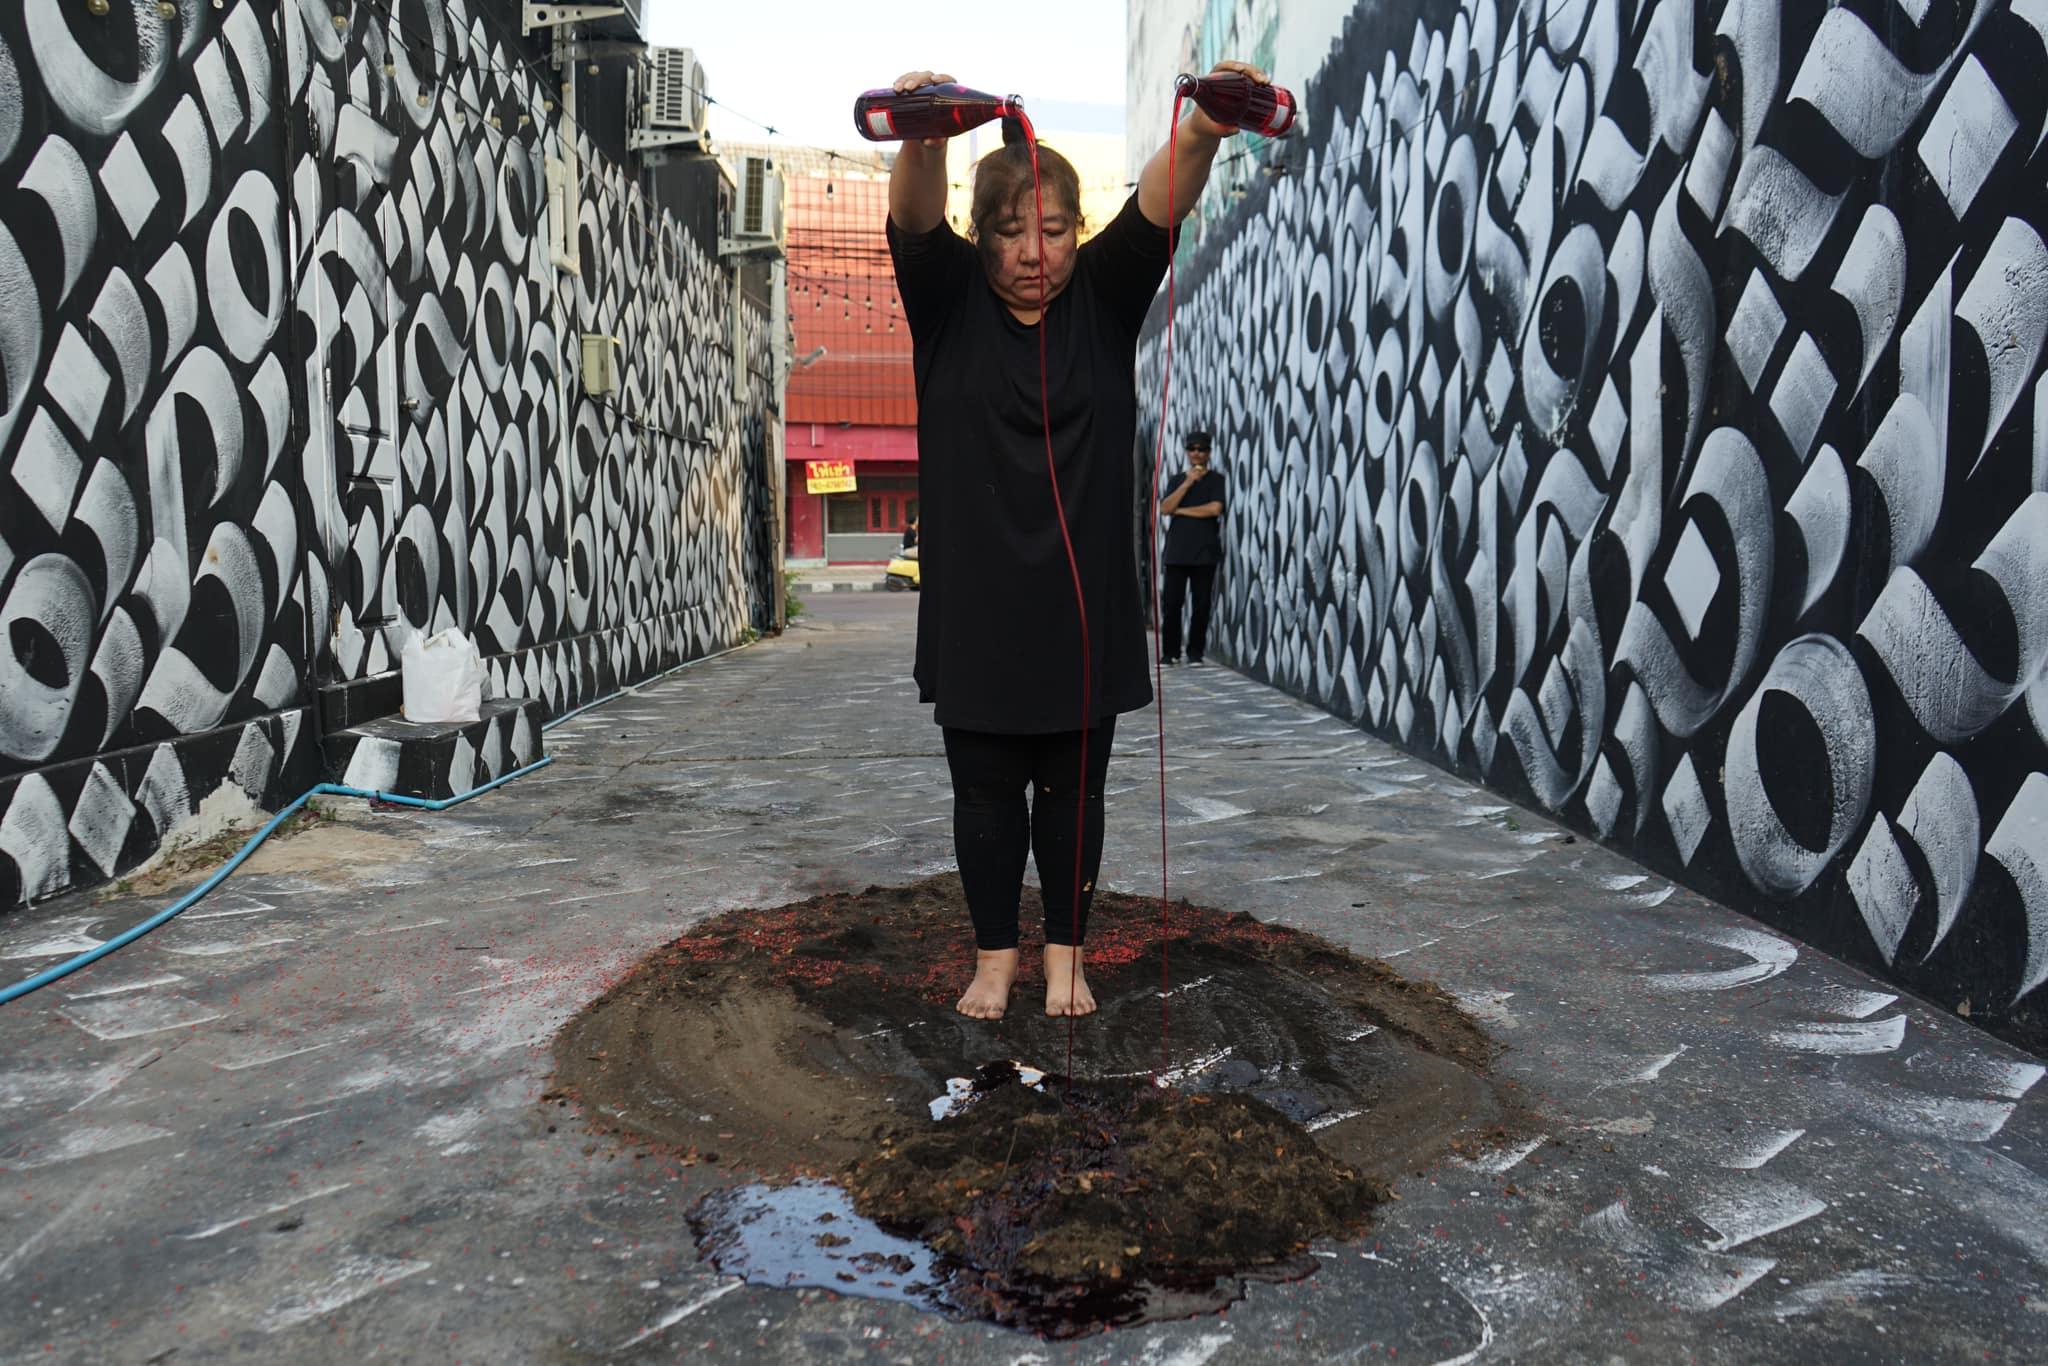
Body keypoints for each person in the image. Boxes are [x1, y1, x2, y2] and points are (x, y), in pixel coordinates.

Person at [885, 61, 1263, 1019]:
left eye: (1053, 230)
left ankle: (1066, 958)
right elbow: (915, 215)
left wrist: (1203, 129)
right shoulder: (947, 300)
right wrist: (924, 134)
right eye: (1011, 232)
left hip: (1083, 607)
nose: (1033, 252)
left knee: (1072, 796)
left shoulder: (1105, 295)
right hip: (978, 611)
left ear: (1077, 230)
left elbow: (1164, 198)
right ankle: (994, 959)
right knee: (983, 795)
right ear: (981, 236)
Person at [1158, 430, 1225, 665]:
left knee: (1201, 604)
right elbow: (1165, 508)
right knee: (1171, 605)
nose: (1196, 453)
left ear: (1209, 452)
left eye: (1201, 449)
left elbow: (1214, 509)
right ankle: (1170, 653)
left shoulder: (1216, 480)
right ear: (1187, 451)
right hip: (1177, 552)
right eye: (1192, 449)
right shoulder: (1177, 480)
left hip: (1205, 552)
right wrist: (1187, 484)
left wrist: (1181, 511)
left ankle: (1195, 653)